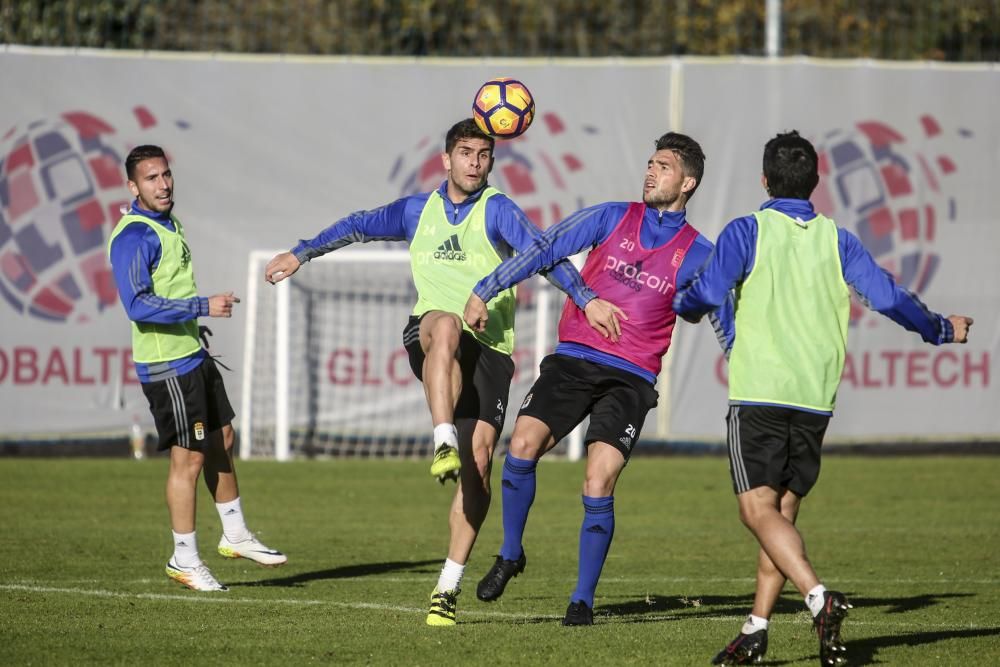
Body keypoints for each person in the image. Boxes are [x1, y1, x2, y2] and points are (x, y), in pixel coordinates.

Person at [264, 119, 618, 626]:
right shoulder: (417, 210)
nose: (475, 162)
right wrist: (301, 252)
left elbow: (545, 255)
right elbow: (358, 224)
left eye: (484, 154)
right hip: (432, 333)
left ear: (492, 162)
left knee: (478, 471)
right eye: (466, 152)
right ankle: (441, 439)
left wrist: (586, 298)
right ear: (445, 160)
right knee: (448, 325)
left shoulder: (498, 210)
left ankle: (446, 589)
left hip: (491, 350)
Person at [673, 131, 974, 666]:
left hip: (760, 391)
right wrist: (940, 330)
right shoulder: (838, 238)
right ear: (815, 182)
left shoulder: (749, 229)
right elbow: (888, 297)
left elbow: (706, 293)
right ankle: (756, 629)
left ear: (763, 181)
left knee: (755, 512)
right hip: (814, 397)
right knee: (781, 516)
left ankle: (818, 597)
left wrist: (684, 299)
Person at [465, 132, 723, 625]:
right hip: (575, 360)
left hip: (630, 378)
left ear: (688, 183)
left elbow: (706, 309)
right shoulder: (611, 216)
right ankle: (511, 553)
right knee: (521, 446)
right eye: (649, 163)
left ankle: (582, 600)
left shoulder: (697, 251)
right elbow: (544, 249)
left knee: (598, 480)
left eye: (663, 167)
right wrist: (487, 287)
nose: (651, 172)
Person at [108, 145, 287, 593]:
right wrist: (201, 306)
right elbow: (137, 304)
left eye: (166, 175)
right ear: (133, 187)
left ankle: (235, 533)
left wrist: (194, 322)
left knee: (223, 438)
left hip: (192, 354)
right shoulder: (134, 236)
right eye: (151, 179)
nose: (163, 184)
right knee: (187, 460)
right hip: (167, 366)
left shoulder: (169, 223)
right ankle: (184, 559)